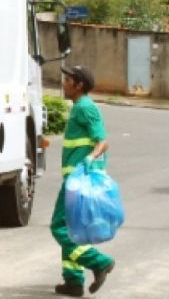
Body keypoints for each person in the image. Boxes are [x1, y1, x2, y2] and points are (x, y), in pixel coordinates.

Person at [52, 65, 116, 297]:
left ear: (79, 85)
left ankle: (99, 262)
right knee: (72, 230)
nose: (64, 82)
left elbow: (102, 141)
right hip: (74, 180)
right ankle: (73, 281)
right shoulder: (79, 107)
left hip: (78, 182)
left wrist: (90, 159)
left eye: (68, 79)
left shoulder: (86, 108)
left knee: (59, 227)